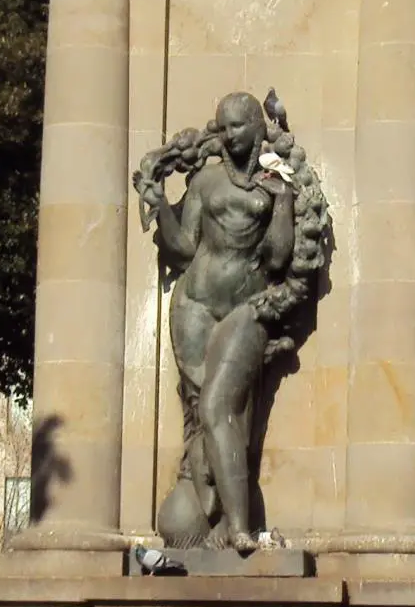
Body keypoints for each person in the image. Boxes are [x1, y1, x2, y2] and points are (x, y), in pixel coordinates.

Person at [135, 91, 327, 551]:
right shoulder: (205, 181)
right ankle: (217, 520)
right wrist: (160, 203)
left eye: (237, 125)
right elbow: (183, 246)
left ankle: (238, 524)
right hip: (195, 305)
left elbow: (279, 260)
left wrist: (281, 201)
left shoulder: (274, 184)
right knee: (206, 413)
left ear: (258, 127)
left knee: (221, 408)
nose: (227, 134)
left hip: (246, 310)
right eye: (222, 126)